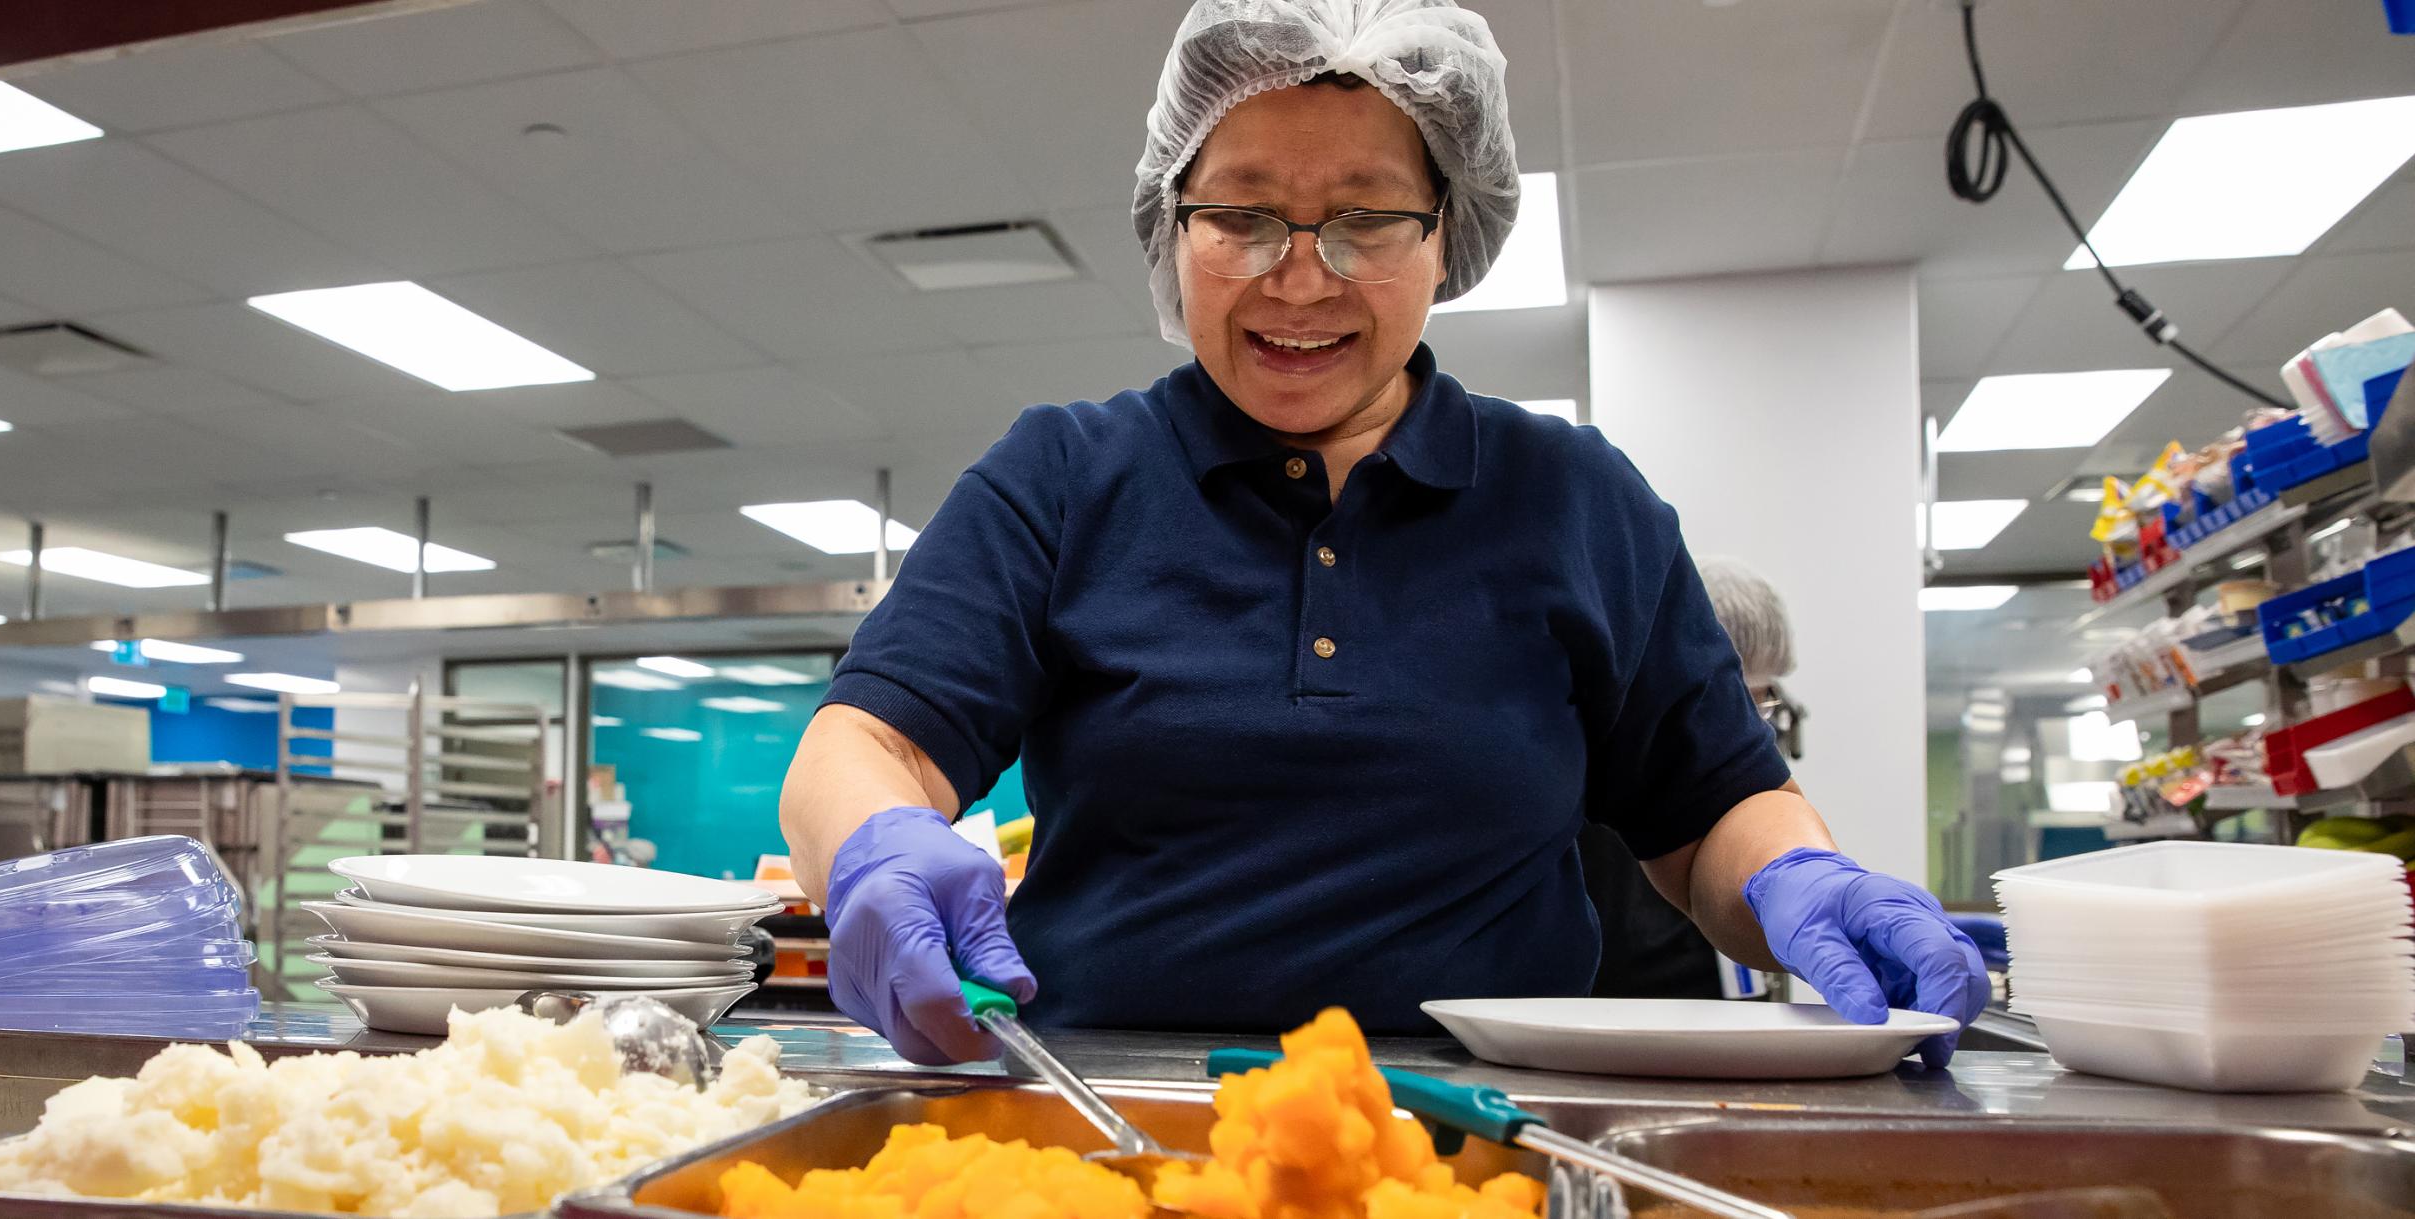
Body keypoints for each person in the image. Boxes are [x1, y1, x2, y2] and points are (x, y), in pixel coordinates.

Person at [780, 0, 1985, 1068]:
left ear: (1444, 234)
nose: (1300, 280)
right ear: (1171, 223)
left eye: (1364, 220)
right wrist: (873, 841)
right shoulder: (1061, 477)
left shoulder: (1574, 498)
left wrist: (1797, 879)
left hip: (1487, 1127)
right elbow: (866, 738)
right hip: (1110, 1110)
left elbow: (1712, 810)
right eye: (1242, 217)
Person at [1581, 558, 1803, 1001]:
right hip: (1631, 1019)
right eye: (1748, 697)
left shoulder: (1740, 773)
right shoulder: (1619, 759)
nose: (1757, 721)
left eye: (1765, 699)